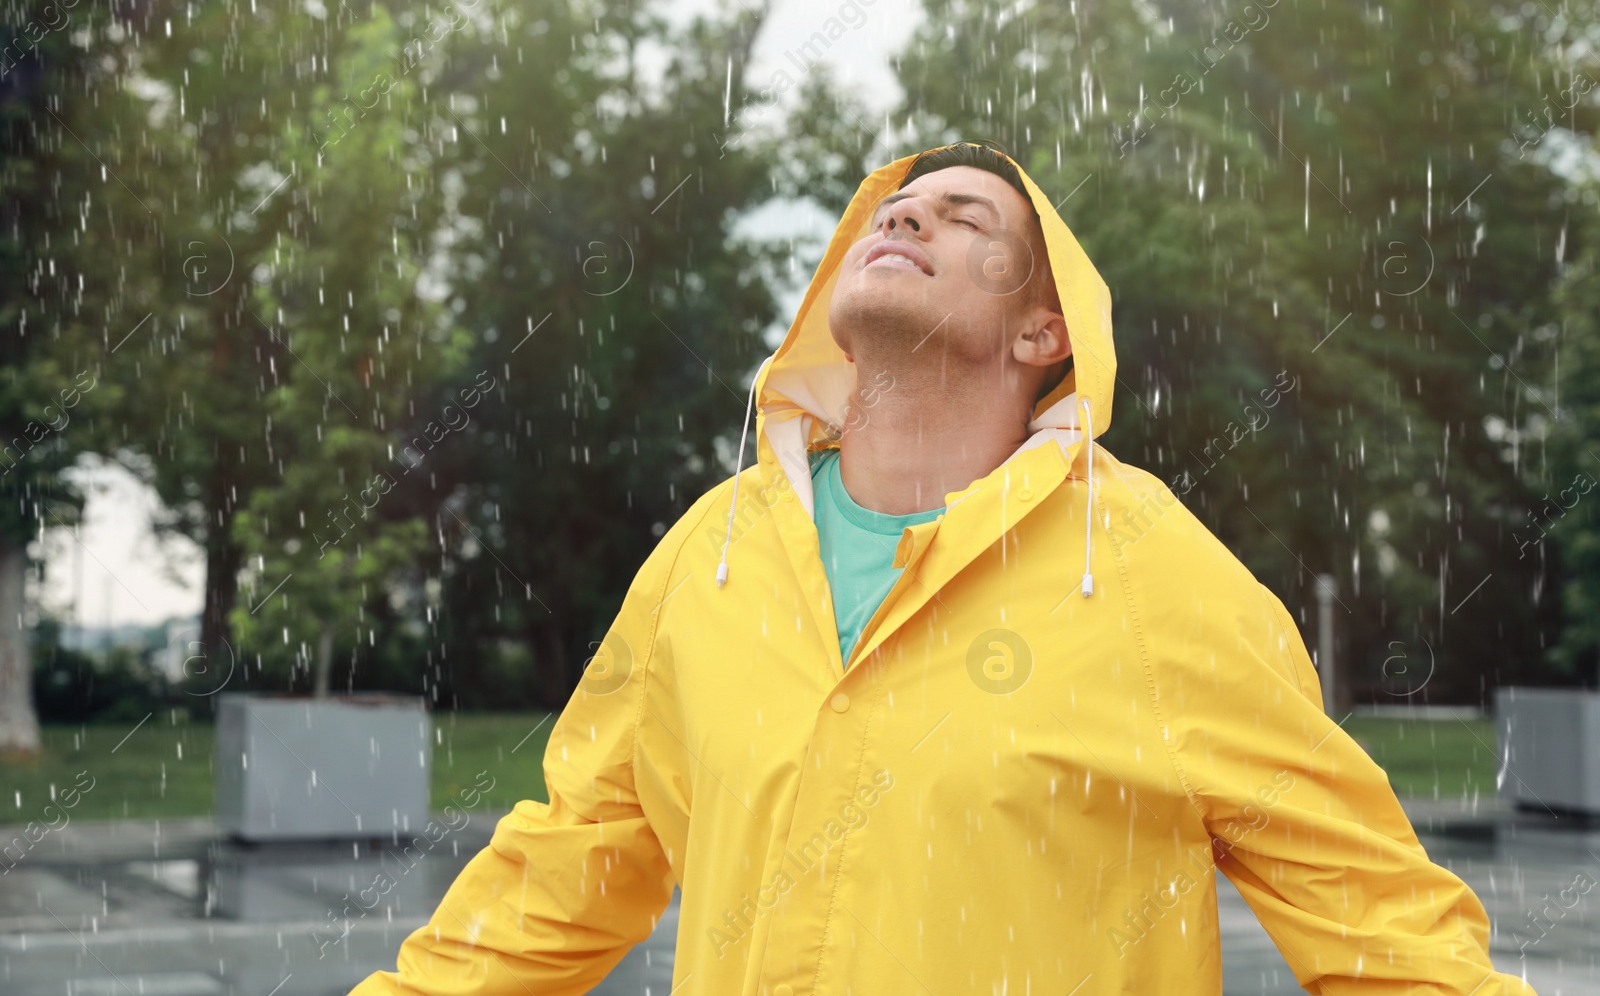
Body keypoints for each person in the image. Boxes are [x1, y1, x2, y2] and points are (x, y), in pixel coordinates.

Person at [349, 142, 1535, 995]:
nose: (905, 219)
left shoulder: (1148, 573)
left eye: (964, 220)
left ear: (1044, 331)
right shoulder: (709, 556)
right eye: (894, 211)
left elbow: (1381, 924)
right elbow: (564, 867)